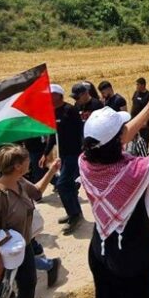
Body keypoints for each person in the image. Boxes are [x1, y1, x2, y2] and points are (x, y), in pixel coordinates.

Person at [79, 88, 149, 298]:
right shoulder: (135, 171)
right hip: (134, 257)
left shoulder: (84, 162)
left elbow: (114, 138)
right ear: (117, 141)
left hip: (100, 251)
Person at [0, 144, 61, 298]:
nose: (29, 162)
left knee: (28, 285)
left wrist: (52, 170)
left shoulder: (19, 181)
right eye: (27, 160)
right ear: (17, 166)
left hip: (22, 246)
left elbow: (37, 191)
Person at [42, 84, 84, 234]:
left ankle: (73, 215)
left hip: (74, 154)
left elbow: (80, 131)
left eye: (52, 94)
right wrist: (46, 153)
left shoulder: (70, 111)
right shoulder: (53, 112)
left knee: (61, 185)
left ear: (59, 96)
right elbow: (53, 136)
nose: (49, 97)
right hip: (63, 155)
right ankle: (76, 212)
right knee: (69, 185)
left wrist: (83, 151)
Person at [130, 78, 149, 142]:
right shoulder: (136, 93)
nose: (136, 86)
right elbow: (133, 104)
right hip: (134, 121)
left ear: (143, 85)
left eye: (138, 84)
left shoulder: (148, 95)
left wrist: (146, 122)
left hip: (143, 123)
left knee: (143, 141)